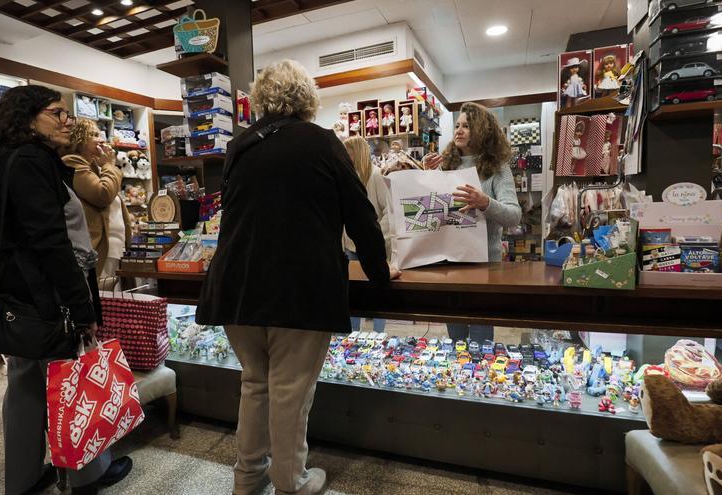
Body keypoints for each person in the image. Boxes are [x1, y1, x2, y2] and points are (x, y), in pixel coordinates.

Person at [197, 60, 400, 495]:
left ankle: (247, 477)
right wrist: (381, 275)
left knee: (255, 382)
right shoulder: (323, 142)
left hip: (236, 283)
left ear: (262, 99)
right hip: (298, 285)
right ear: (306, 98)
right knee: (291, 389)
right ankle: (291, 482)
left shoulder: (238, 146)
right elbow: (361, 215)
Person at [0, 85, 132, 495]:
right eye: (57, 113)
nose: (68, 121)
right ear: (28, 119)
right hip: (48, 294)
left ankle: (23, 480)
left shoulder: (7, 162)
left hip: (21, 290)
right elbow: (50, 240)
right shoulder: (33, 161)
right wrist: (82, 308)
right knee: (71, 379)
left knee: (26, 381)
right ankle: (88, 473)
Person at [423, 102, 521, 345]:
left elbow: (514, 216)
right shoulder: (446, 165)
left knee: (480, 333)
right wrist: (426, 175)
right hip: (450, 263)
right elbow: (434, 213)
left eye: (466, 126)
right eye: (457, 125)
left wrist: (485, 202)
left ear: (482, 130)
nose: (459, 130)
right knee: (455, 333)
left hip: (485, 265)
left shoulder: (498, 169)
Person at [61, 118, 131, 290]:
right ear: (79, 139)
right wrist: (109, 165)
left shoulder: (95, 166)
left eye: (100, 135)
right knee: (102, 300)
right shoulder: (73, 162)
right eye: (93, 135)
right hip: (99, 248)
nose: (101, 140)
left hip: (113, 248)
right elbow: (103, 195)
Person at [342, 136, 393, 333]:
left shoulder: (376, 175)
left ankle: (379, 336)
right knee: (353, 295)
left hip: (371, 247)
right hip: (350, 247)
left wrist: (376, 235)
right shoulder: (347, 175)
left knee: (377, 293)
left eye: (348, 151)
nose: (345, 155)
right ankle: (352, 335)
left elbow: (389, 210)